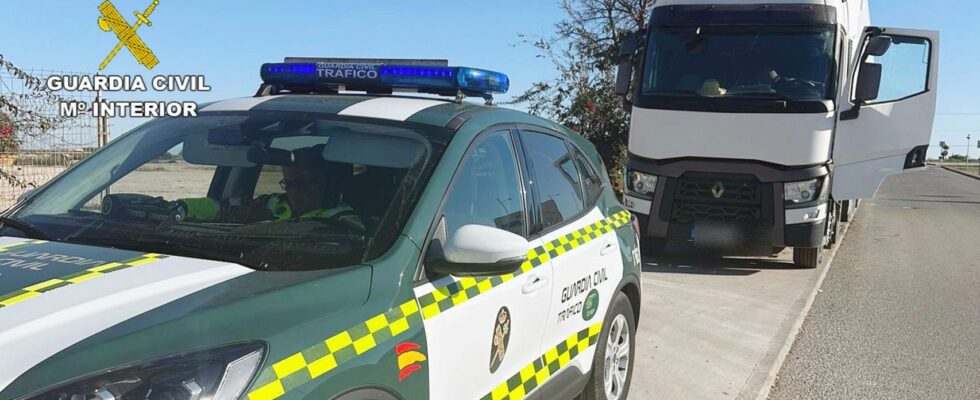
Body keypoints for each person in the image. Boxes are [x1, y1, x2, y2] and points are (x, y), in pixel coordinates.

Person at [177, 146, 364, 230]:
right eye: (289, 184)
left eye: (307, 183)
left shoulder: (345, 221)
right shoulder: (272, 203)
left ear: (330, 183)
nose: (295, 192)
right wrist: (182, 208)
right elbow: (222, 208)